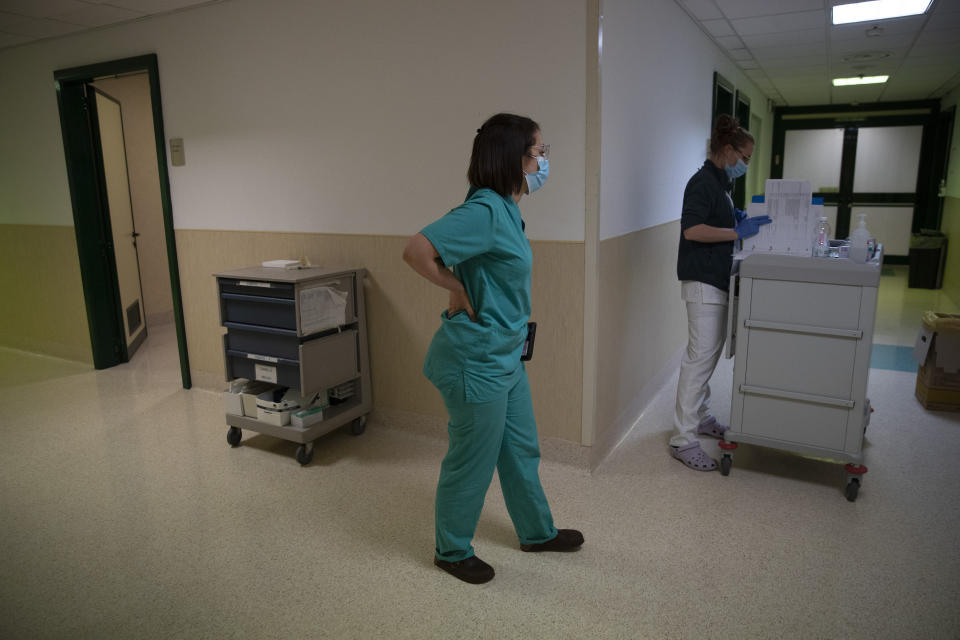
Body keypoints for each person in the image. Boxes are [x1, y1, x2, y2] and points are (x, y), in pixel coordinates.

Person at [402, 113, 583, 584]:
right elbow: (417, 250)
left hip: (505, 354)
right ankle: (451, 550)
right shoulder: (484, 210)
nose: (544, 161)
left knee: (521, 448)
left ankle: (537, 533)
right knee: (473, 458)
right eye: (539, 152)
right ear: (514, 158)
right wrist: (455, 289)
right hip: (475, 360)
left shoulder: (505, 207)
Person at [671, 114, 771, 471]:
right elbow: (693, 230)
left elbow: (714, 219)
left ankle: (699, 416)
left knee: (708, 356)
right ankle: (683, 439)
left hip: (715, 278)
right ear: (727, 150)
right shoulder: (701, 182)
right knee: (698, 360)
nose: (745, 164)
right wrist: (736, 231)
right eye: (744, 157)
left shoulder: (720, 183)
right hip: (702, 282)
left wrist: (733, 218)